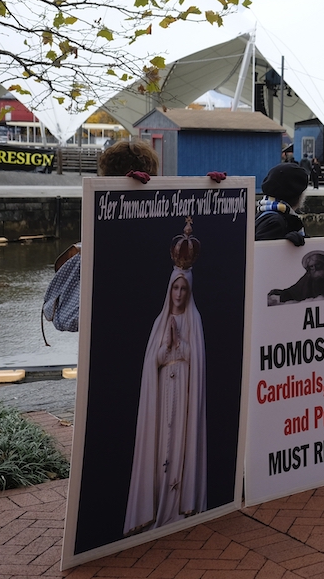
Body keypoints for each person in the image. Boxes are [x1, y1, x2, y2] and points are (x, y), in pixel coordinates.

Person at [125, 217, 207, 535]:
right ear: (169, 288)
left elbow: (196, 361)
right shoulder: (161, 322)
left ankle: (178, 507)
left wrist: (181, 344)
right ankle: (156, 507)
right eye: (175, 287)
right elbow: (152, 363)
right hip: (162, 394)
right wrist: (167, 347)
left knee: (181, 445)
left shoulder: (194, 320)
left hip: (184, 390)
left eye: (184, 288)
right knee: (162, 445)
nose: (179, 293)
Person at [43, 139, 160, 336]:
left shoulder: (96, 246)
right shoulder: (170, 234)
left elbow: (66, 319)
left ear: (105, 174)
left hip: (108, 348)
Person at [255, 161, 309, 243]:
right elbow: (262, 252)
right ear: (299, 196)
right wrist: (285, 246)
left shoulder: (263, 213)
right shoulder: (275, 223)